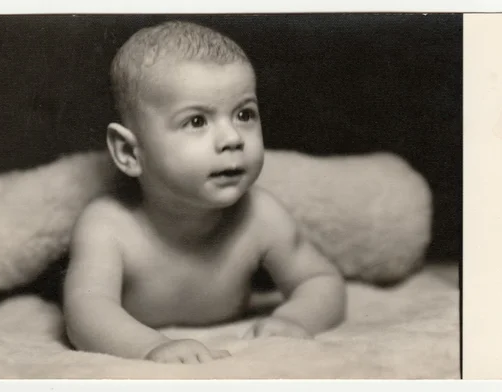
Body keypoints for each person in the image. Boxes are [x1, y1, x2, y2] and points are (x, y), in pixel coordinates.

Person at [63, 20, 346, 364]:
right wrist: (149, 348)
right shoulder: (109, 226)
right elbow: (86, 309)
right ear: (129, 152)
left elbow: (321, 280)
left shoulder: (260, 215)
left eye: (244, 114)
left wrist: (294, 319)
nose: (232, 139)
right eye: (196, 121)